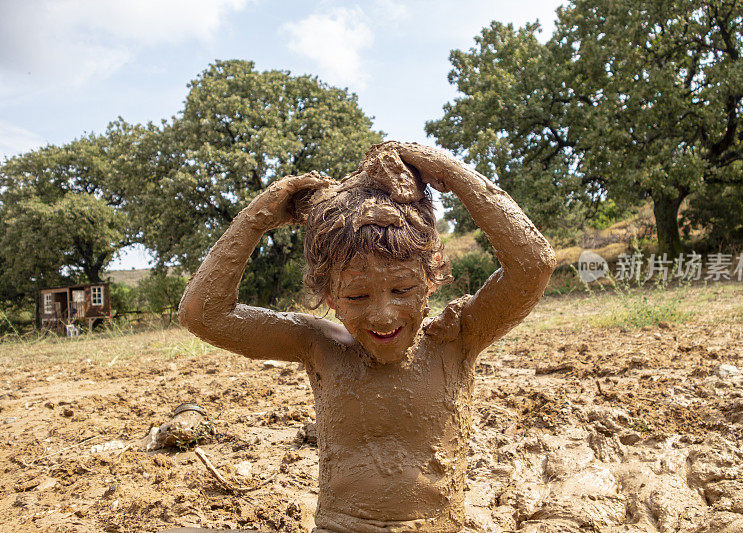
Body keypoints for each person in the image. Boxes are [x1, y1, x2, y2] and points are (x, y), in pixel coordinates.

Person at [178, 141, 556, 532]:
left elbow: (534, 264)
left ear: (430, 279)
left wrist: (446, 171)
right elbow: (201, 314)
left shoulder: (457, 338)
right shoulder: (318, 345)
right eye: (357, 296)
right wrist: (257, 217)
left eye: (402, 290)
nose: (383, 315)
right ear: (330, 297)